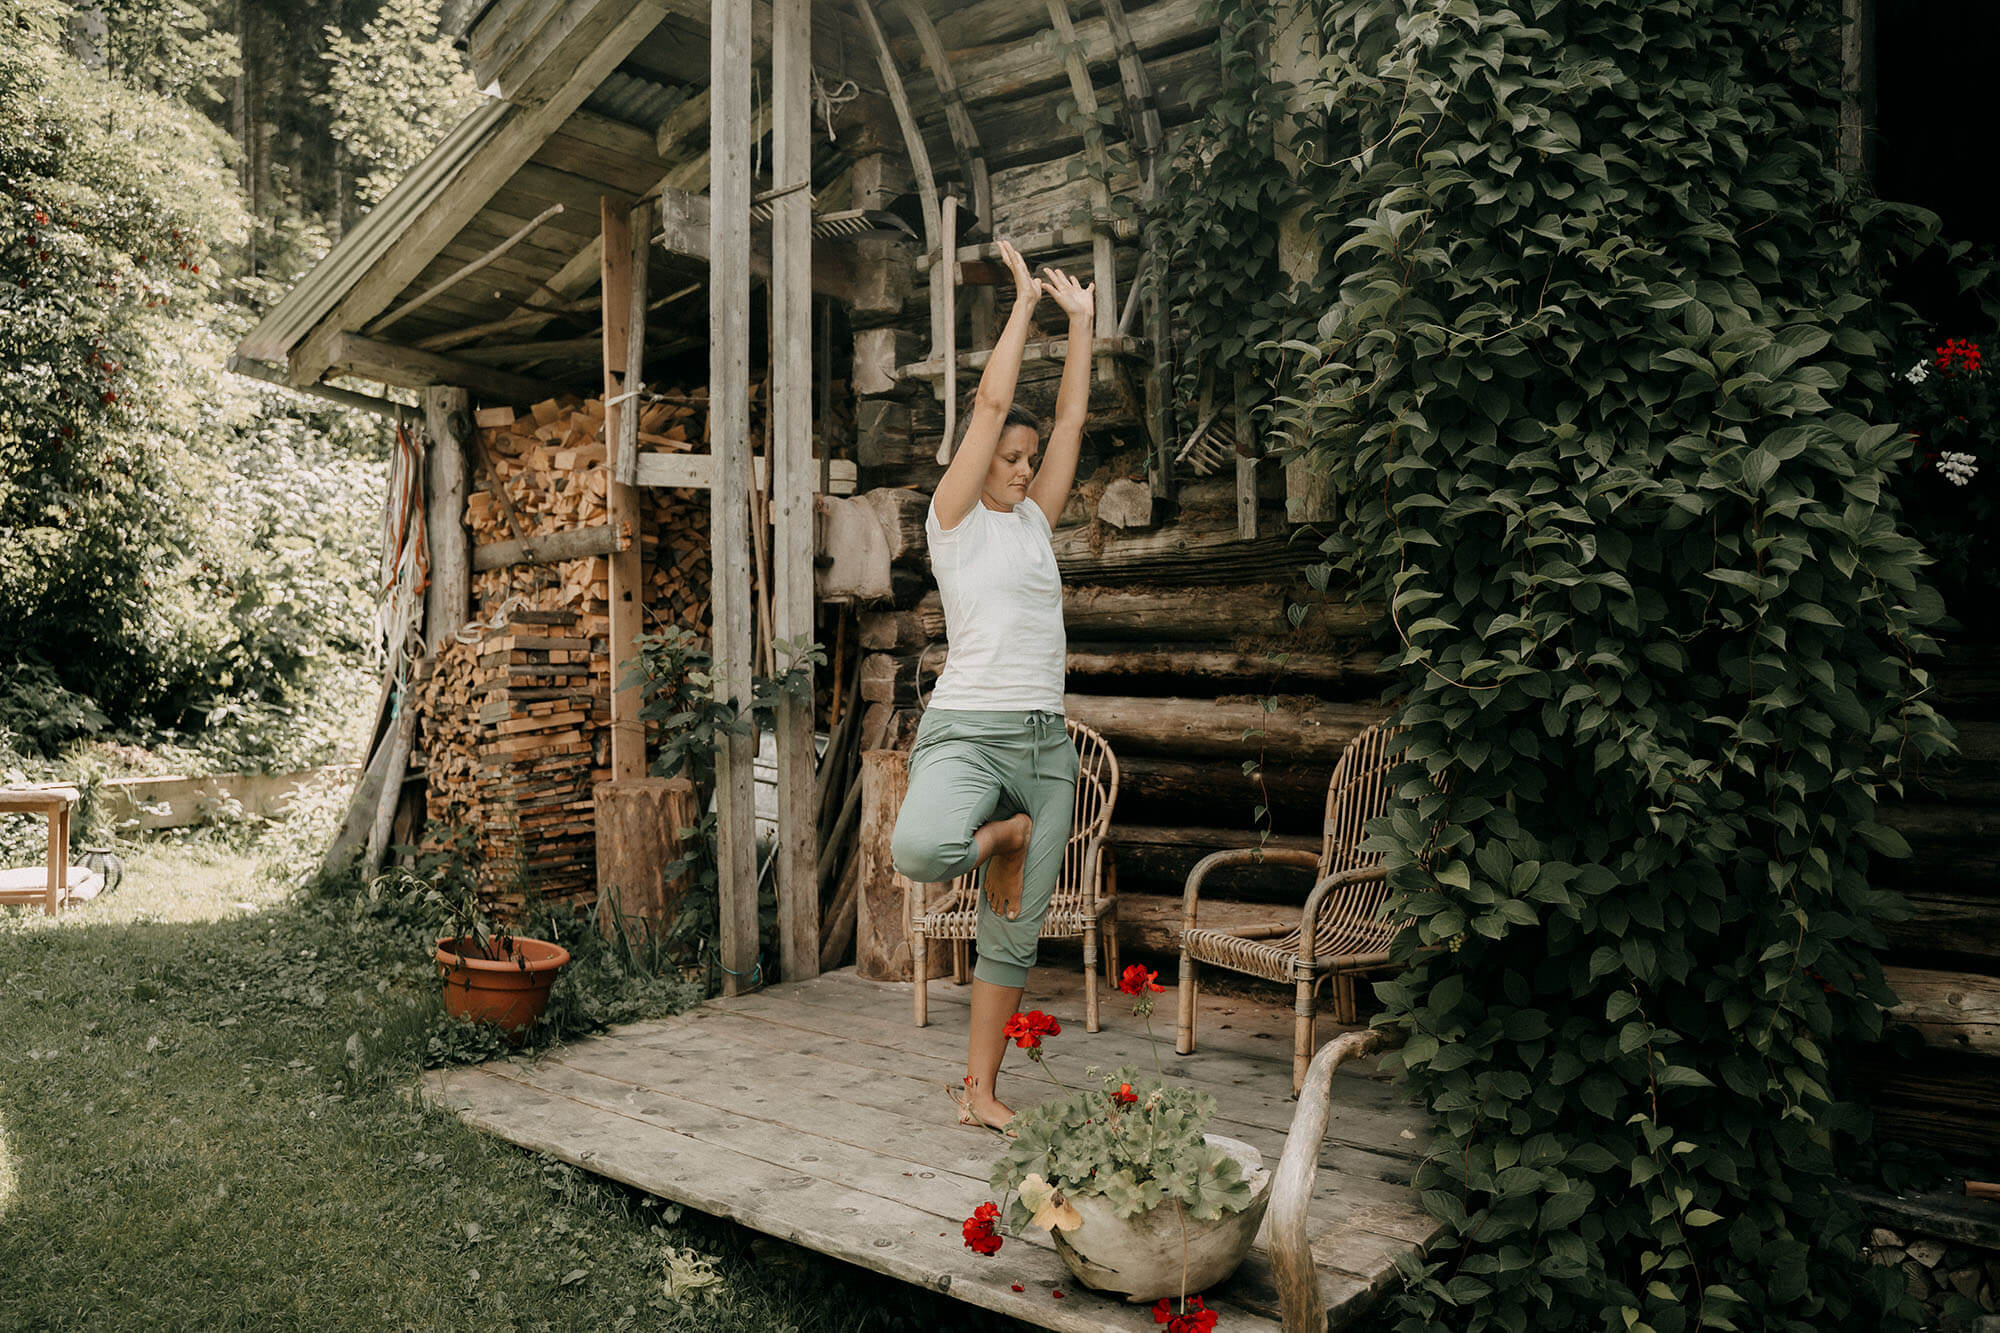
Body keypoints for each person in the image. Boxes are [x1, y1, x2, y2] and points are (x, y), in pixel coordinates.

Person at [889, 236, 1096, 1134]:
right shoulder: (955, 521)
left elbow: (1075, 427)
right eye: (1009, 455)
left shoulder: (1036, 526)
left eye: (1027, 458)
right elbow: (991, 401)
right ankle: (1003, 832)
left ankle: (979, 1091)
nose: (1021, 466)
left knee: (1013, 930)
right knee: (922, 851)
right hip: (969, 733)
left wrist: (1081, 325)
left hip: (1046, 743)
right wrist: (1023, 302)